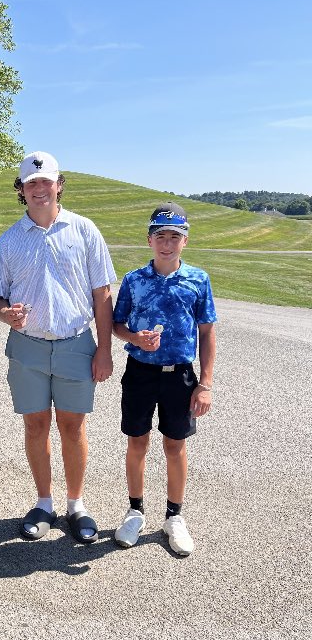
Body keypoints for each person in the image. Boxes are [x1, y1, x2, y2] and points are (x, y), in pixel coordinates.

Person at [0, 151, 116, 544]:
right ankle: (44, 502)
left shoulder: (84, 230)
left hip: (76, 344)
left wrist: (105, 350)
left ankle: (76, 504)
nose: (39, 189)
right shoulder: (9, 241)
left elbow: (102, 294)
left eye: (46, 182)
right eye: (31, 183)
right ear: (22, 190)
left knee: (73, 425)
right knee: (36, 425)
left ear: (59, 185)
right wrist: (6, 315)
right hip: (27, 346)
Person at [112, 201, 217, 556]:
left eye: (175, 236)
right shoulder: (134, 280)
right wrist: (135, 338)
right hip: (140, 372)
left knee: (175, 444)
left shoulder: (198, 280)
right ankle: (135, 510)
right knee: (137, 441)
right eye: (161, 236)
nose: (167, 243)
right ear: (149, 239)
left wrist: (205, 384)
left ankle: (174, 516)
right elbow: (116, 324)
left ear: (185, 241)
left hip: (180, 376)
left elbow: (207, 332)